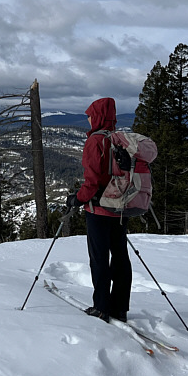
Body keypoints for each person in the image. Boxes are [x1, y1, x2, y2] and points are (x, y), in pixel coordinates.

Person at [66, 97, 132, 323]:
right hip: (121, 207)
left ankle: (101, 307)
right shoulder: (120, 139)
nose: (88, 118)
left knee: (99, 258)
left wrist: (77, 199)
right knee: (121, 256)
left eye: (90, 114)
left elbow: (92, 181)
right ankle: (120, 308)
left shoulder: (95, 141)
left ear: (98, 116)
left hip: (98, 209)